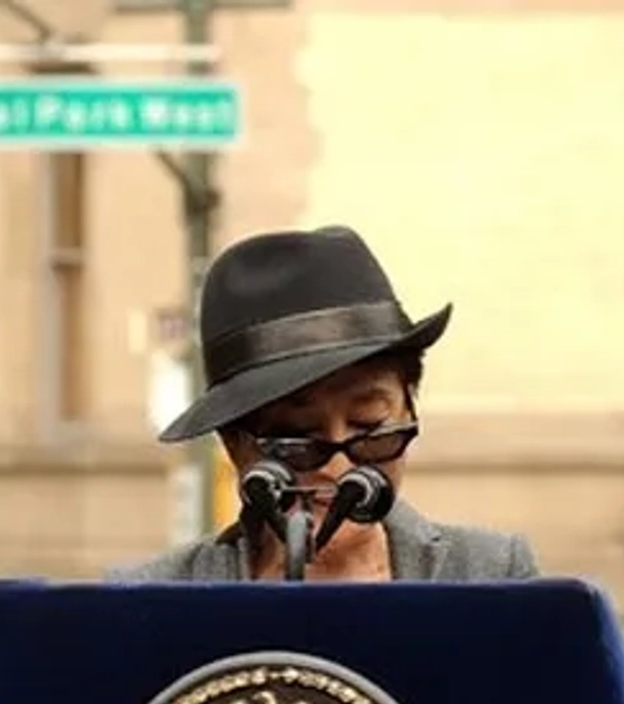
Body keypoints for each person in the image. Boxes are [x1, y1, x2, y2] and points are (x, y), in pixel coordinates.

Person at [108, 225, 537, 583]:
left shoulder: (493, 575)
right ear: (236, 446)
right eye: (297, 440)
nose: (338, 469)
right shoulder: (151, 600)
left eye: (370, 427)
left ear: (410, 408)